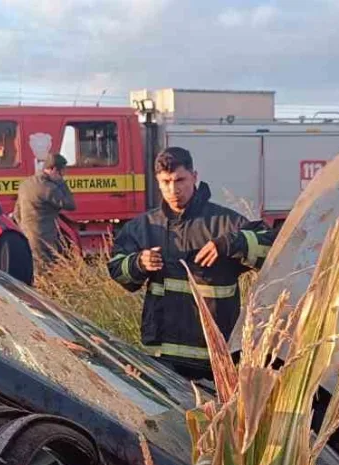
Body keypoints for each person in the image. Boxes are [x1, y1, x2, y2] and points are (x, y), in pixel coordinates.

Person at [108, 147, 276, 381]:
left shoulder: (226, 223)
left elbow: (273, 250)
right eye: (166, 182)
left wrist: (231, 243)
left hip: (214, 356)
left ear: (194, 177)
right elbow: (117, 269)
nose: (173, 189)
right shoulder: (143, 227)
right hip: (162, 355)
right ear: (158, 181)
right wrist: (138, 263)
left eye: (180, 180)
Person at [14, 153, 77, 268]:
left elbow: (17, 213)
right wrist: (61, 183)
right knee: (47, 272)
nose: (63, 175)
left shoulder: (25, 184)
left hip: (28, 236)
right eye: (62, 172)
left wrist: (25, 229)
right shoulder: (48, 187)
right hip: (44, 238)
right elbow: (70, 204)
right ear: (53, 169)